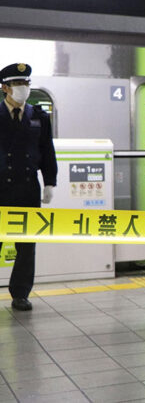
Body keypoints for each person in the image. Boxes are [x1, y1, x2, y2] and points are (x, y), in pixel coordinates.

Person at [0, 63, 57, 311]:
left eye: (26, 84)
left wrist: (50, 182)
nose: (23, 88)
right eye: (17, 84)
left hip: (28, 188)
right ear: (4, 88)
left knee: (27, 244)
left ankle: (20, 293)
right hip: (1, 188)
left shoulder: (39, 116)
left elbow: (47, 151)